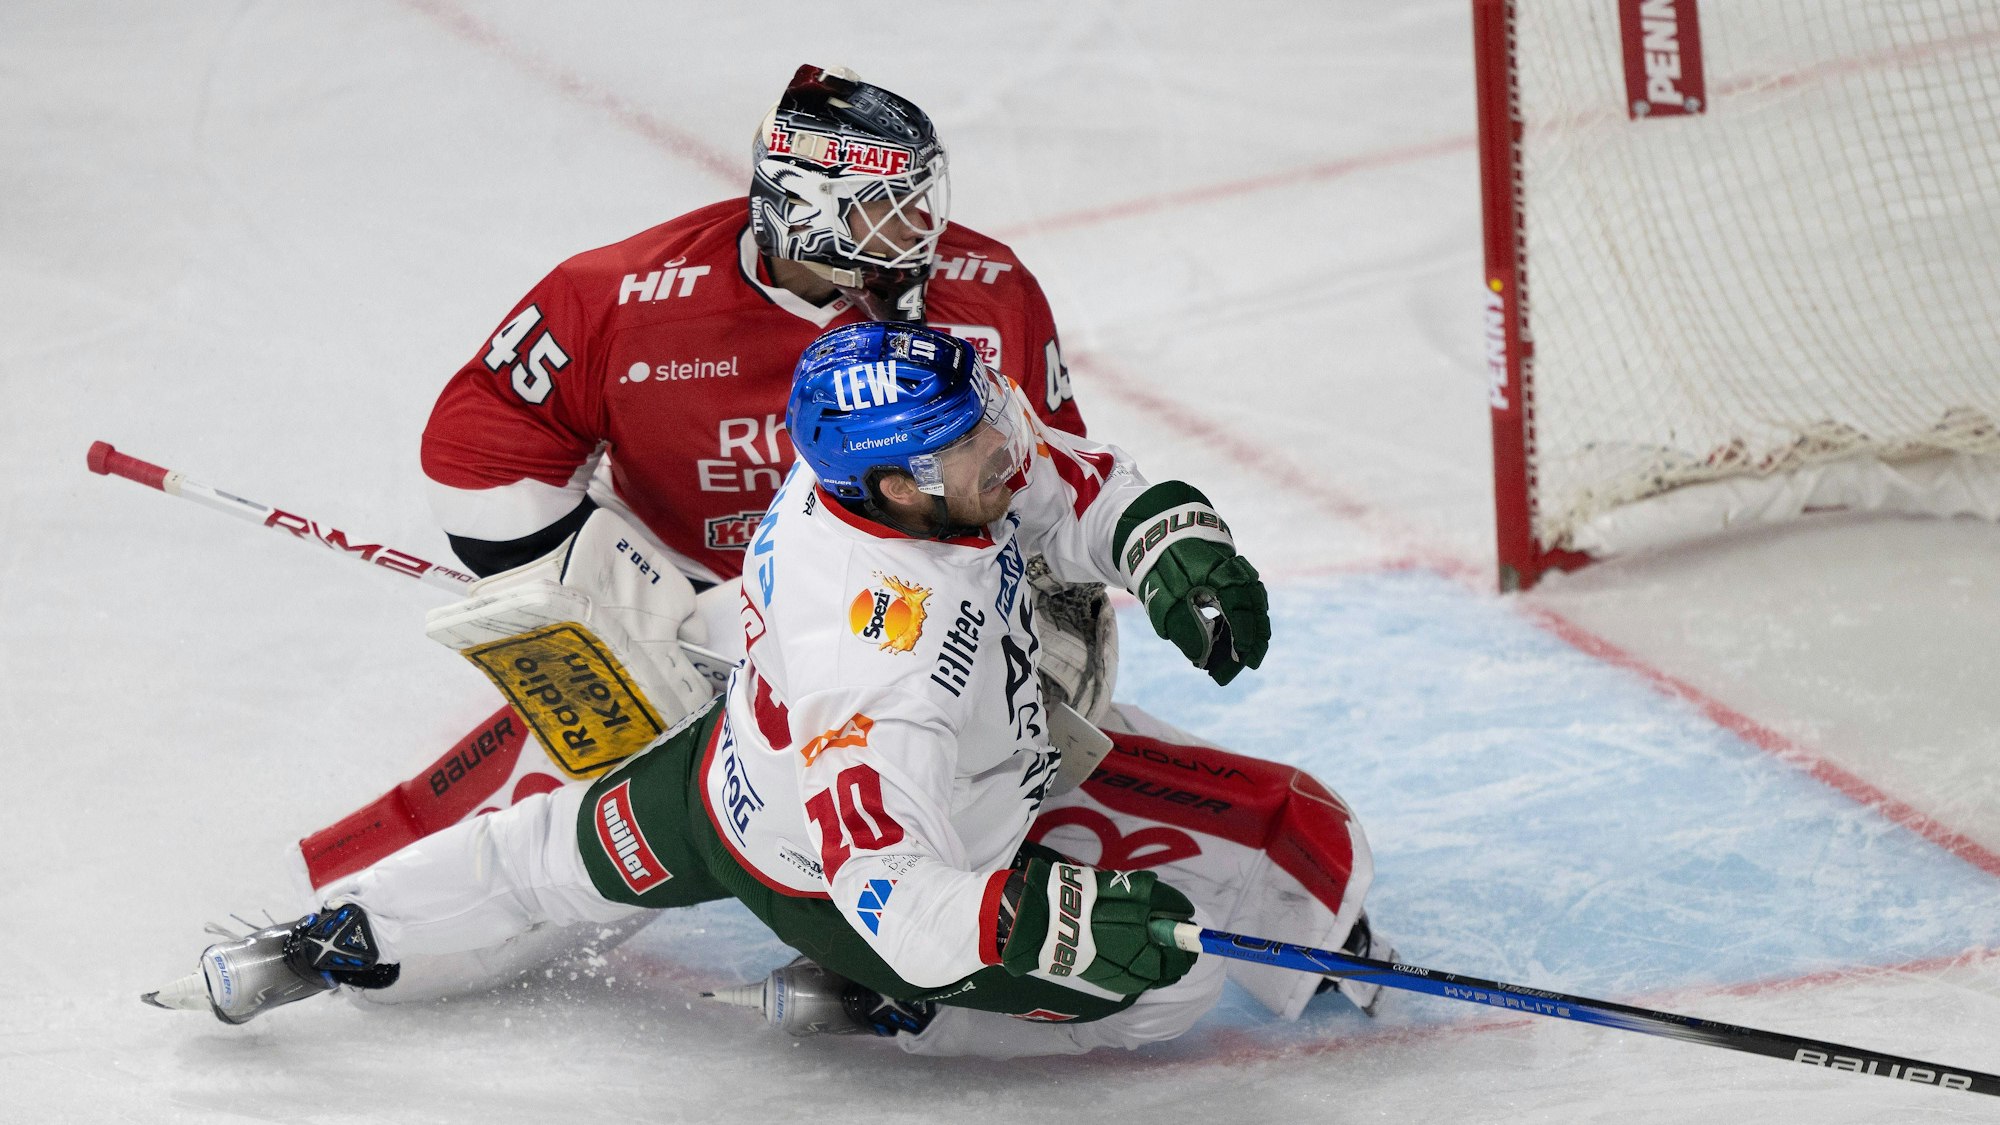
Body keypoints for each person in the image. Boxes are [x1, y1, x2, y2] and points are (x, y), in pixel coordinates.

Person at [147, 322, 1316, 1057]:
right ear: (905, 491)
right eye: (974, 447)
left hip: (717, 791)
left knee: (543, 852)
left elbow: (1069, 486)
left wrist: (1165, 543)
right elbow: (893, 895)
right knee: (1172, 978)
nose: (1005, 447)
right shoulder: (892, 659)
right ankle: (892, 1011)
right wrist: (1035, 923)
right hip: (835, 878)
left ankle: (340, 935)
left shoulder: (878, 469)